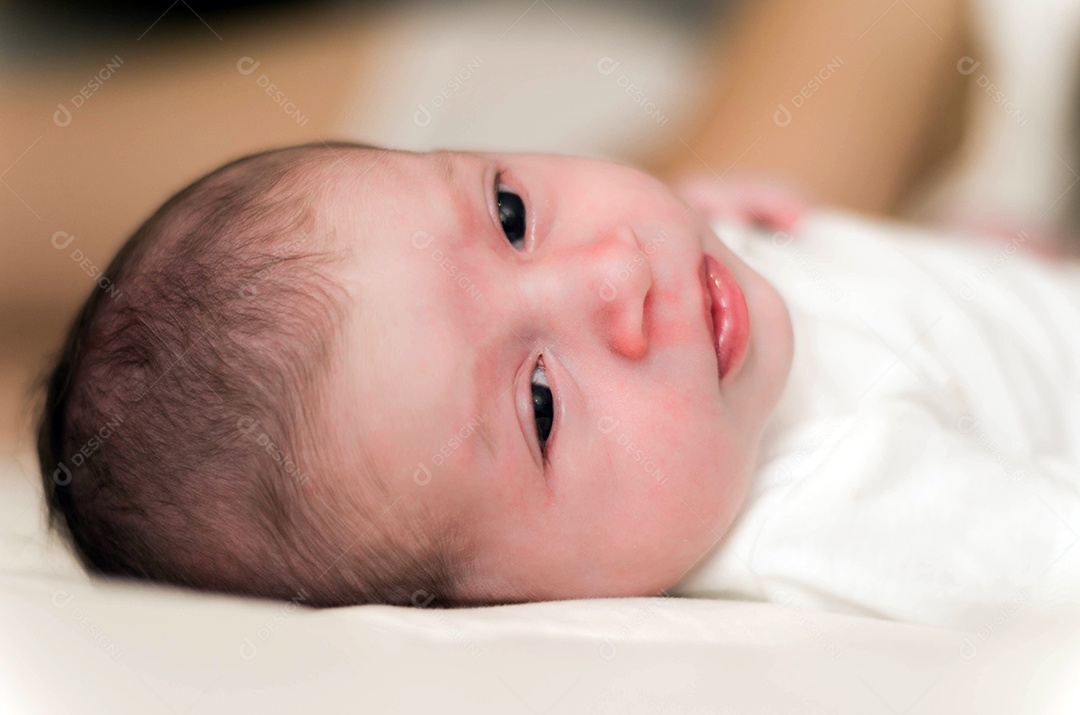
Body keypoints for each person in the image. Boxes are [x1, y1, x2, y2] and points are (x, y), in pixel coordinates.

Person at [36, 142, 1080, 630]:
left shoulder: (705, 323)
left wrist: (735, 218)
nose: (618, 270)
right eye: (539, 404)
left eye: (511, 214)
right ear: (508, 601)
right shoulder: (839, 511)